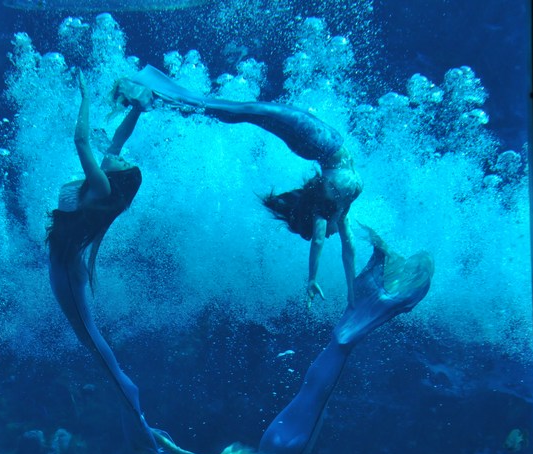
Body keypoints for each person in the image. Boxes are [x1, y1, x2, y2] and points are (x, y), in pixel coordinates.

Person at [150, 227, 434, 454]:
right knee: (314, 382)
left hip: (288, 449)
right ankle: (374, 278)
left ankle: (386, 298)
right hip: (272, 440)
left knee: (331, 368)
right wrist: (159, 439)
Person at [120, 65, 362, 309]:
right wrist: (317, 281)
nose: (330, 234)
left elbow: (345, 247)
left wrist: (349, 297)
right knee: (238, 111)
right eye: (327, 232)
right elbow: (324, 241)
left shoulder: (336, 206)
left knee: (239, 111)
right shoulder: (330, 206)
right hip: (313, 139)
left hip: (312, 138)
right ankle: (153, 91)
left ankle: (153, 92)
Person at [46, 69, 179, 454]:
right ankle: (143, 428)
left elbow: (81, 141)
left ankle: (149, 444)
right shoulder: (104, 181)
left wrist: (85, 96)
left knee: (98, 349)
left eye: (121, 162)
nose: (118, 156)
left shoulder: (102, 188)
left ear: (118, 177)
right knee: (97, 348)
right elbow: (118, 139)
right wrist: (138, 108)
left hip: (67, 273)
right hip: (67, 267)